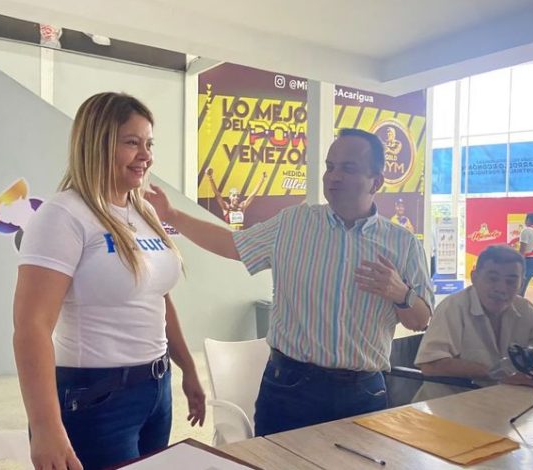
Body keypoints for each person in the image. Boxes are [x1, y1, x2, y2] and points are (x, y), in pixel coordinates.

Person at [145, 128, 433, 435]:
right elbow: (231, 245)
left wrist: (401, 293)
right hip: (290, 388)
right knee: (275, 459)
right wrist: (171, 215)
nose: (334, 177)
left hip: (362, 392)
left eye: (348, 168)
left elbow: (420, 320)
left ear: (376, 181)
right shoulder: (293, 224)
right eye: (330, 167)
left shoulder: (403, 244)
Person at [13, 92, 205, 470]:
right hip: (95, 398)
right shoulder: (62, 215)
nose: (146, 156)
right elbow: (31, 327)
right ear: (96, 143)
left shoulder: (143, 210)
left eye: (149, 144)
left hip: (156, 389)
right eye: (132, 142)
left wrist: (188, 369)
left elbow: (158, 299)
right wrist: (45, 427)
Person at [414, 245, 533, 401]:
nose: (501, 288)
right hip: (446, 405)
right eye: (492, 279)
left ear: (521, 283)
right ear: (474, 277)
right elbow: (430, 365)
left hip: (503, 403)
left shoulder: (524, 309)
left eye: (511, 281)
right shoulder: (453, 307)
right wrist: (496, 373)